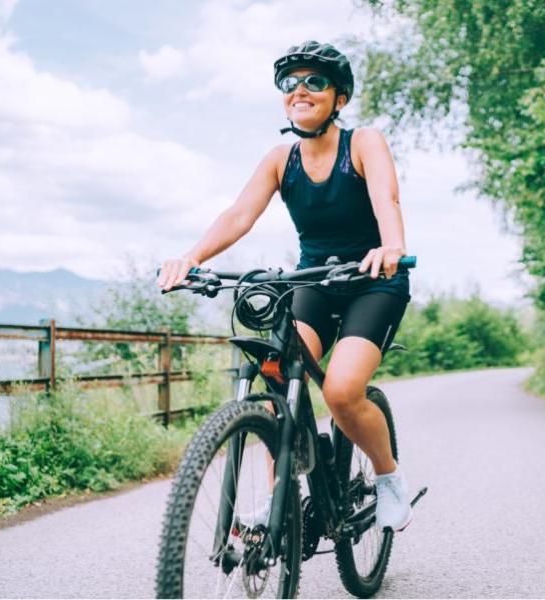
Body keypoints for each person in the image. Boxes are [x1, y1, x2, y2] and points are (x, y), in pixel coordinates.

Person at [156, 41, 413, 532]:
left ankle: (387, 478)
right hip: (313, 279)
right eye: (290, 82)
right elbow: (237, 215)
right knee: (279, 377)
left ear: (339, 98)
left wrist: (392, 246)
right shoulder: (281, 159)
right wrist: (191, 258)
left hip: (373, 282)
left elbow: (388, 199)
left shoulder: (364, 143)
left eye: (315, 81)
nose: (300, 90)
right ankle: (284, 496)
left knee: (340, 391)